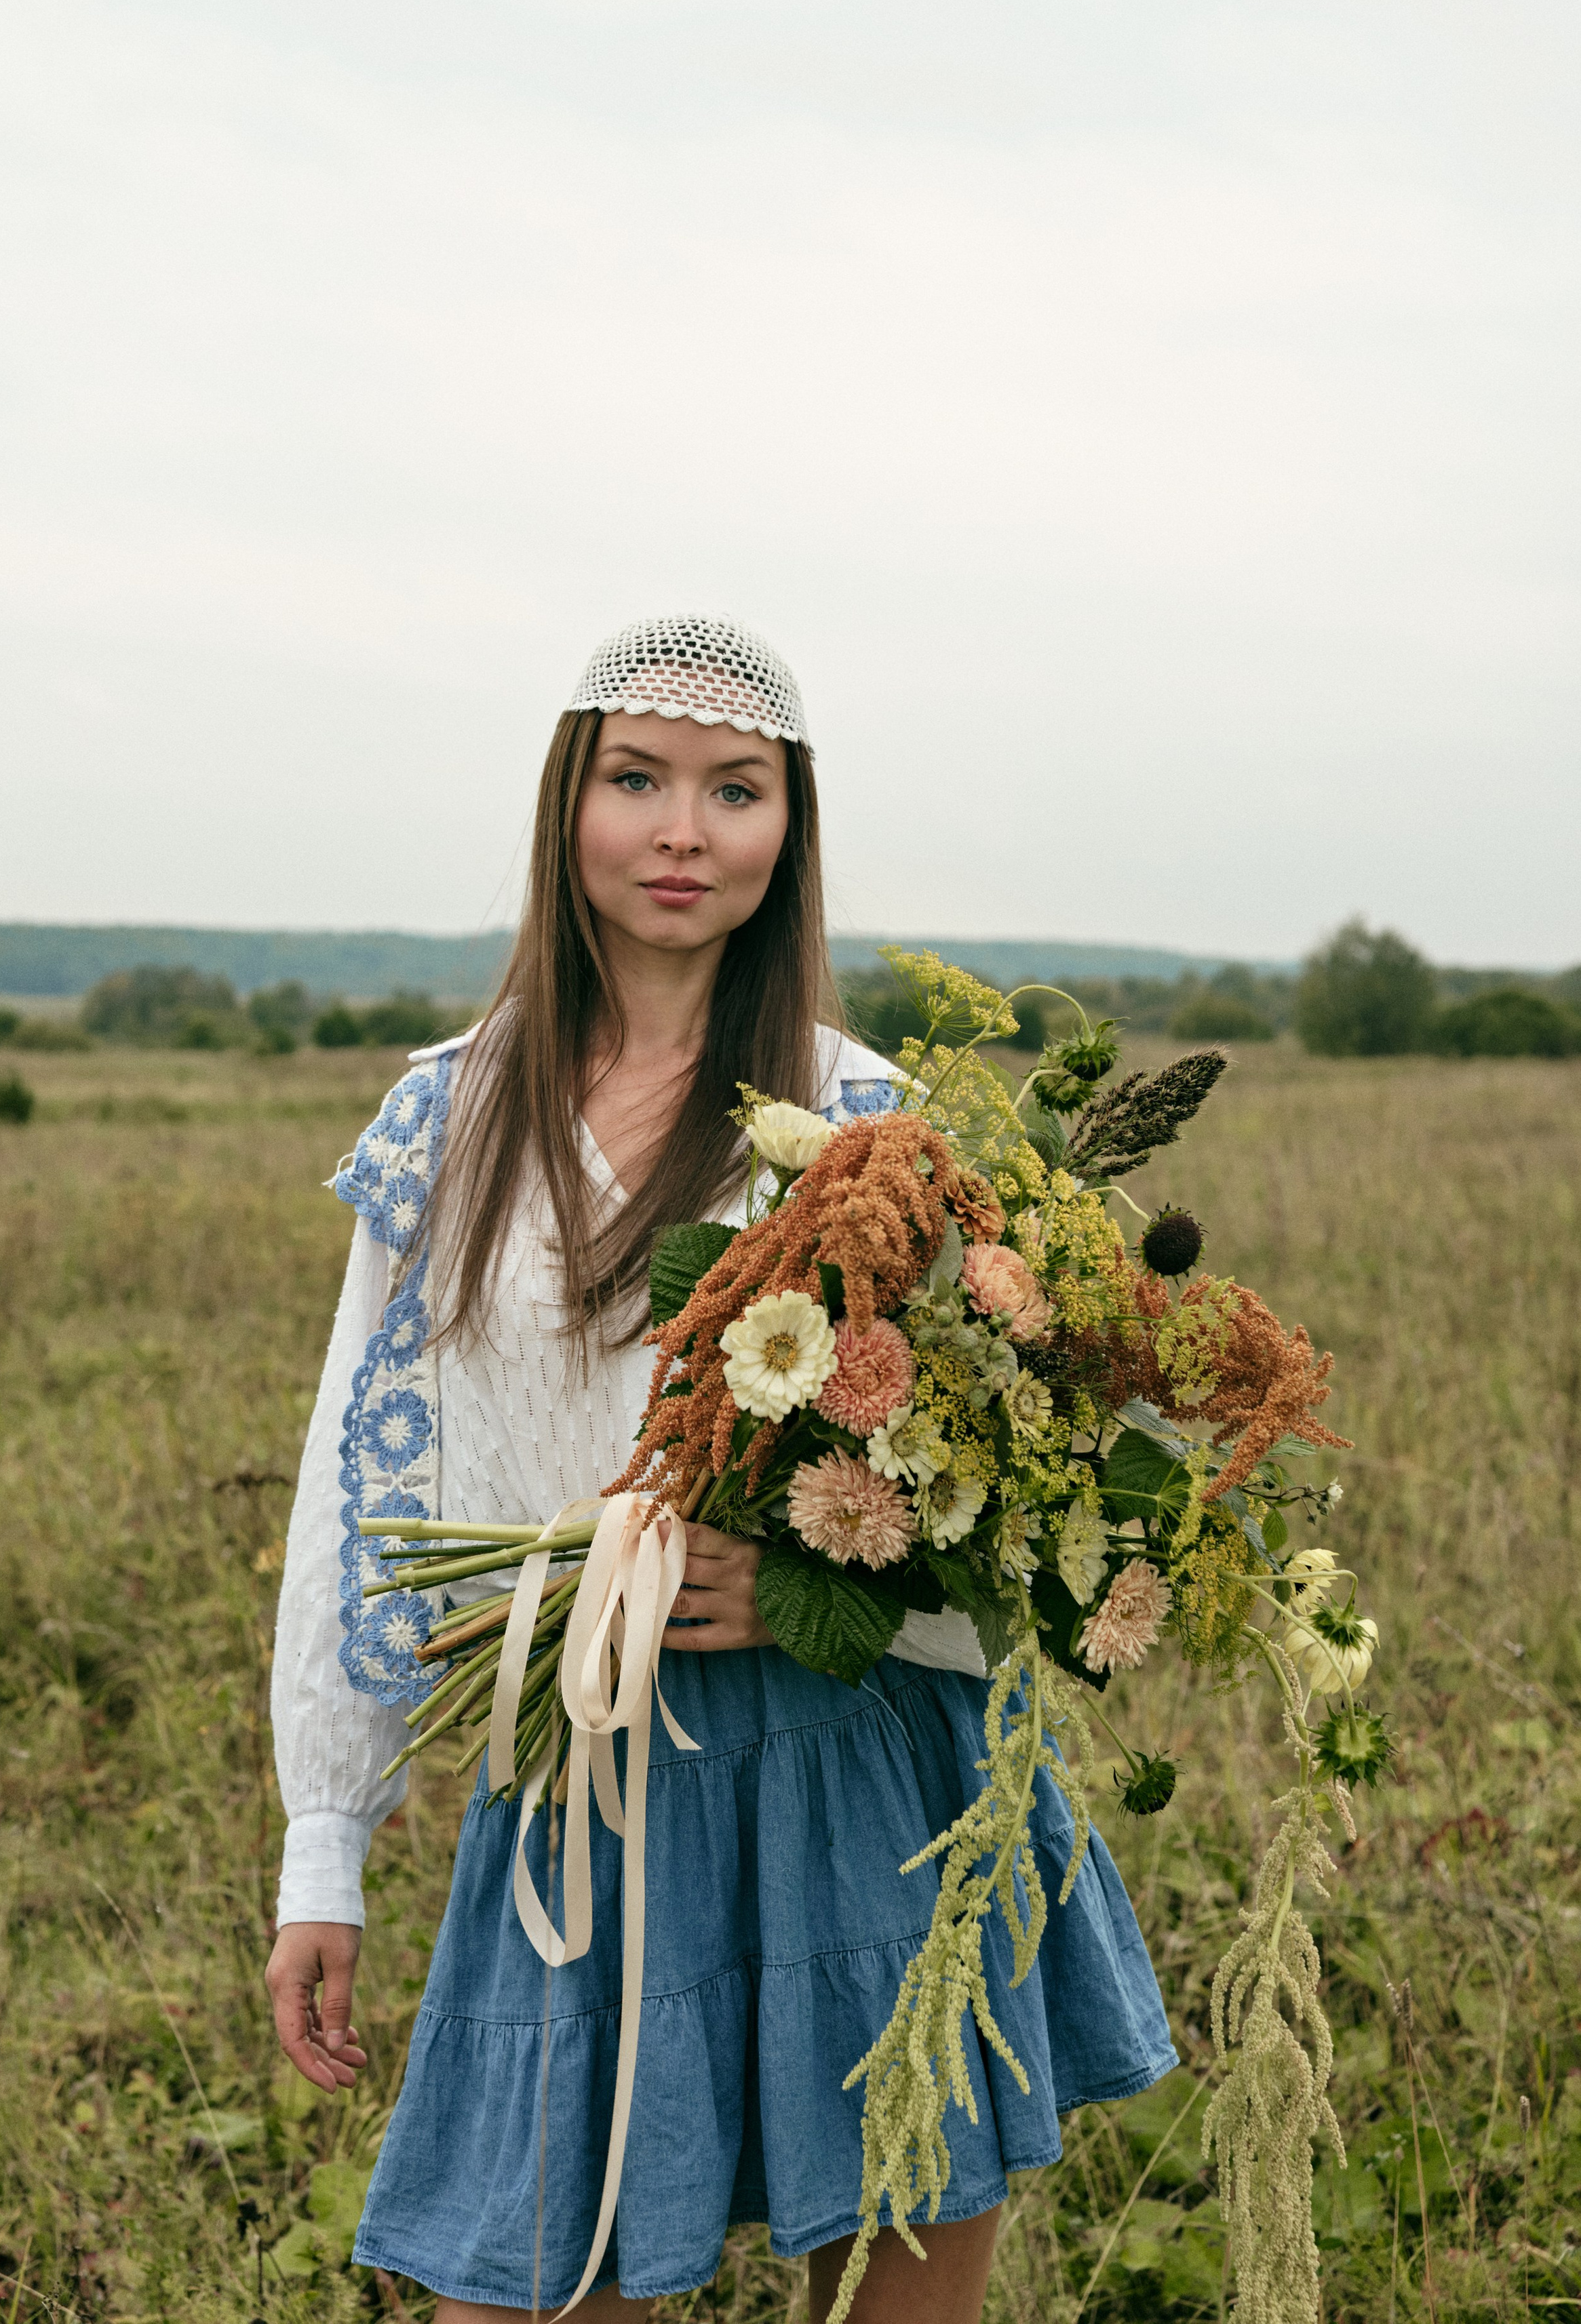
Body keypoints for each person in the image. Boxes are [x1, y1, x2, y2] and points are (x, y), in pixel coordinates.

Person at [266, 616, 1175, 2322]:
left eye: (732, 790)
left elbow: (1012, 1495)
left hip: (861, 1778)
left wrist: (825, 1585)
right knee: (524, 2284)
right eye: (638, 780)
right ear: (571, 808)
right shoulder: (449, 1118)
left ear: (786, 829)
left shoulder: (879, 1123)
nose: (683, 831)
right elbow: (360, 1485)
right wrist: (328, 1844)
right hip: (577, 1774)